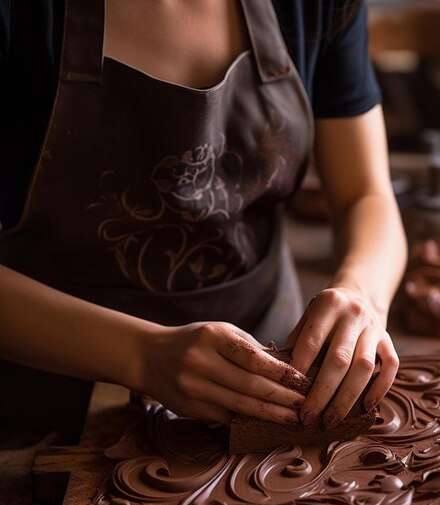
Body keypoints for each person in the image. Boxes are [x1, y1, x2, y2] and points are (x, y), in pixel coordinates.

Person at [0, 0, 407, 440]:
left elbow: (365, 195)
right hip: (49, 398)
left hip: (273, 384)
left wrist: (362, 291)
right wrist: (143, 356)